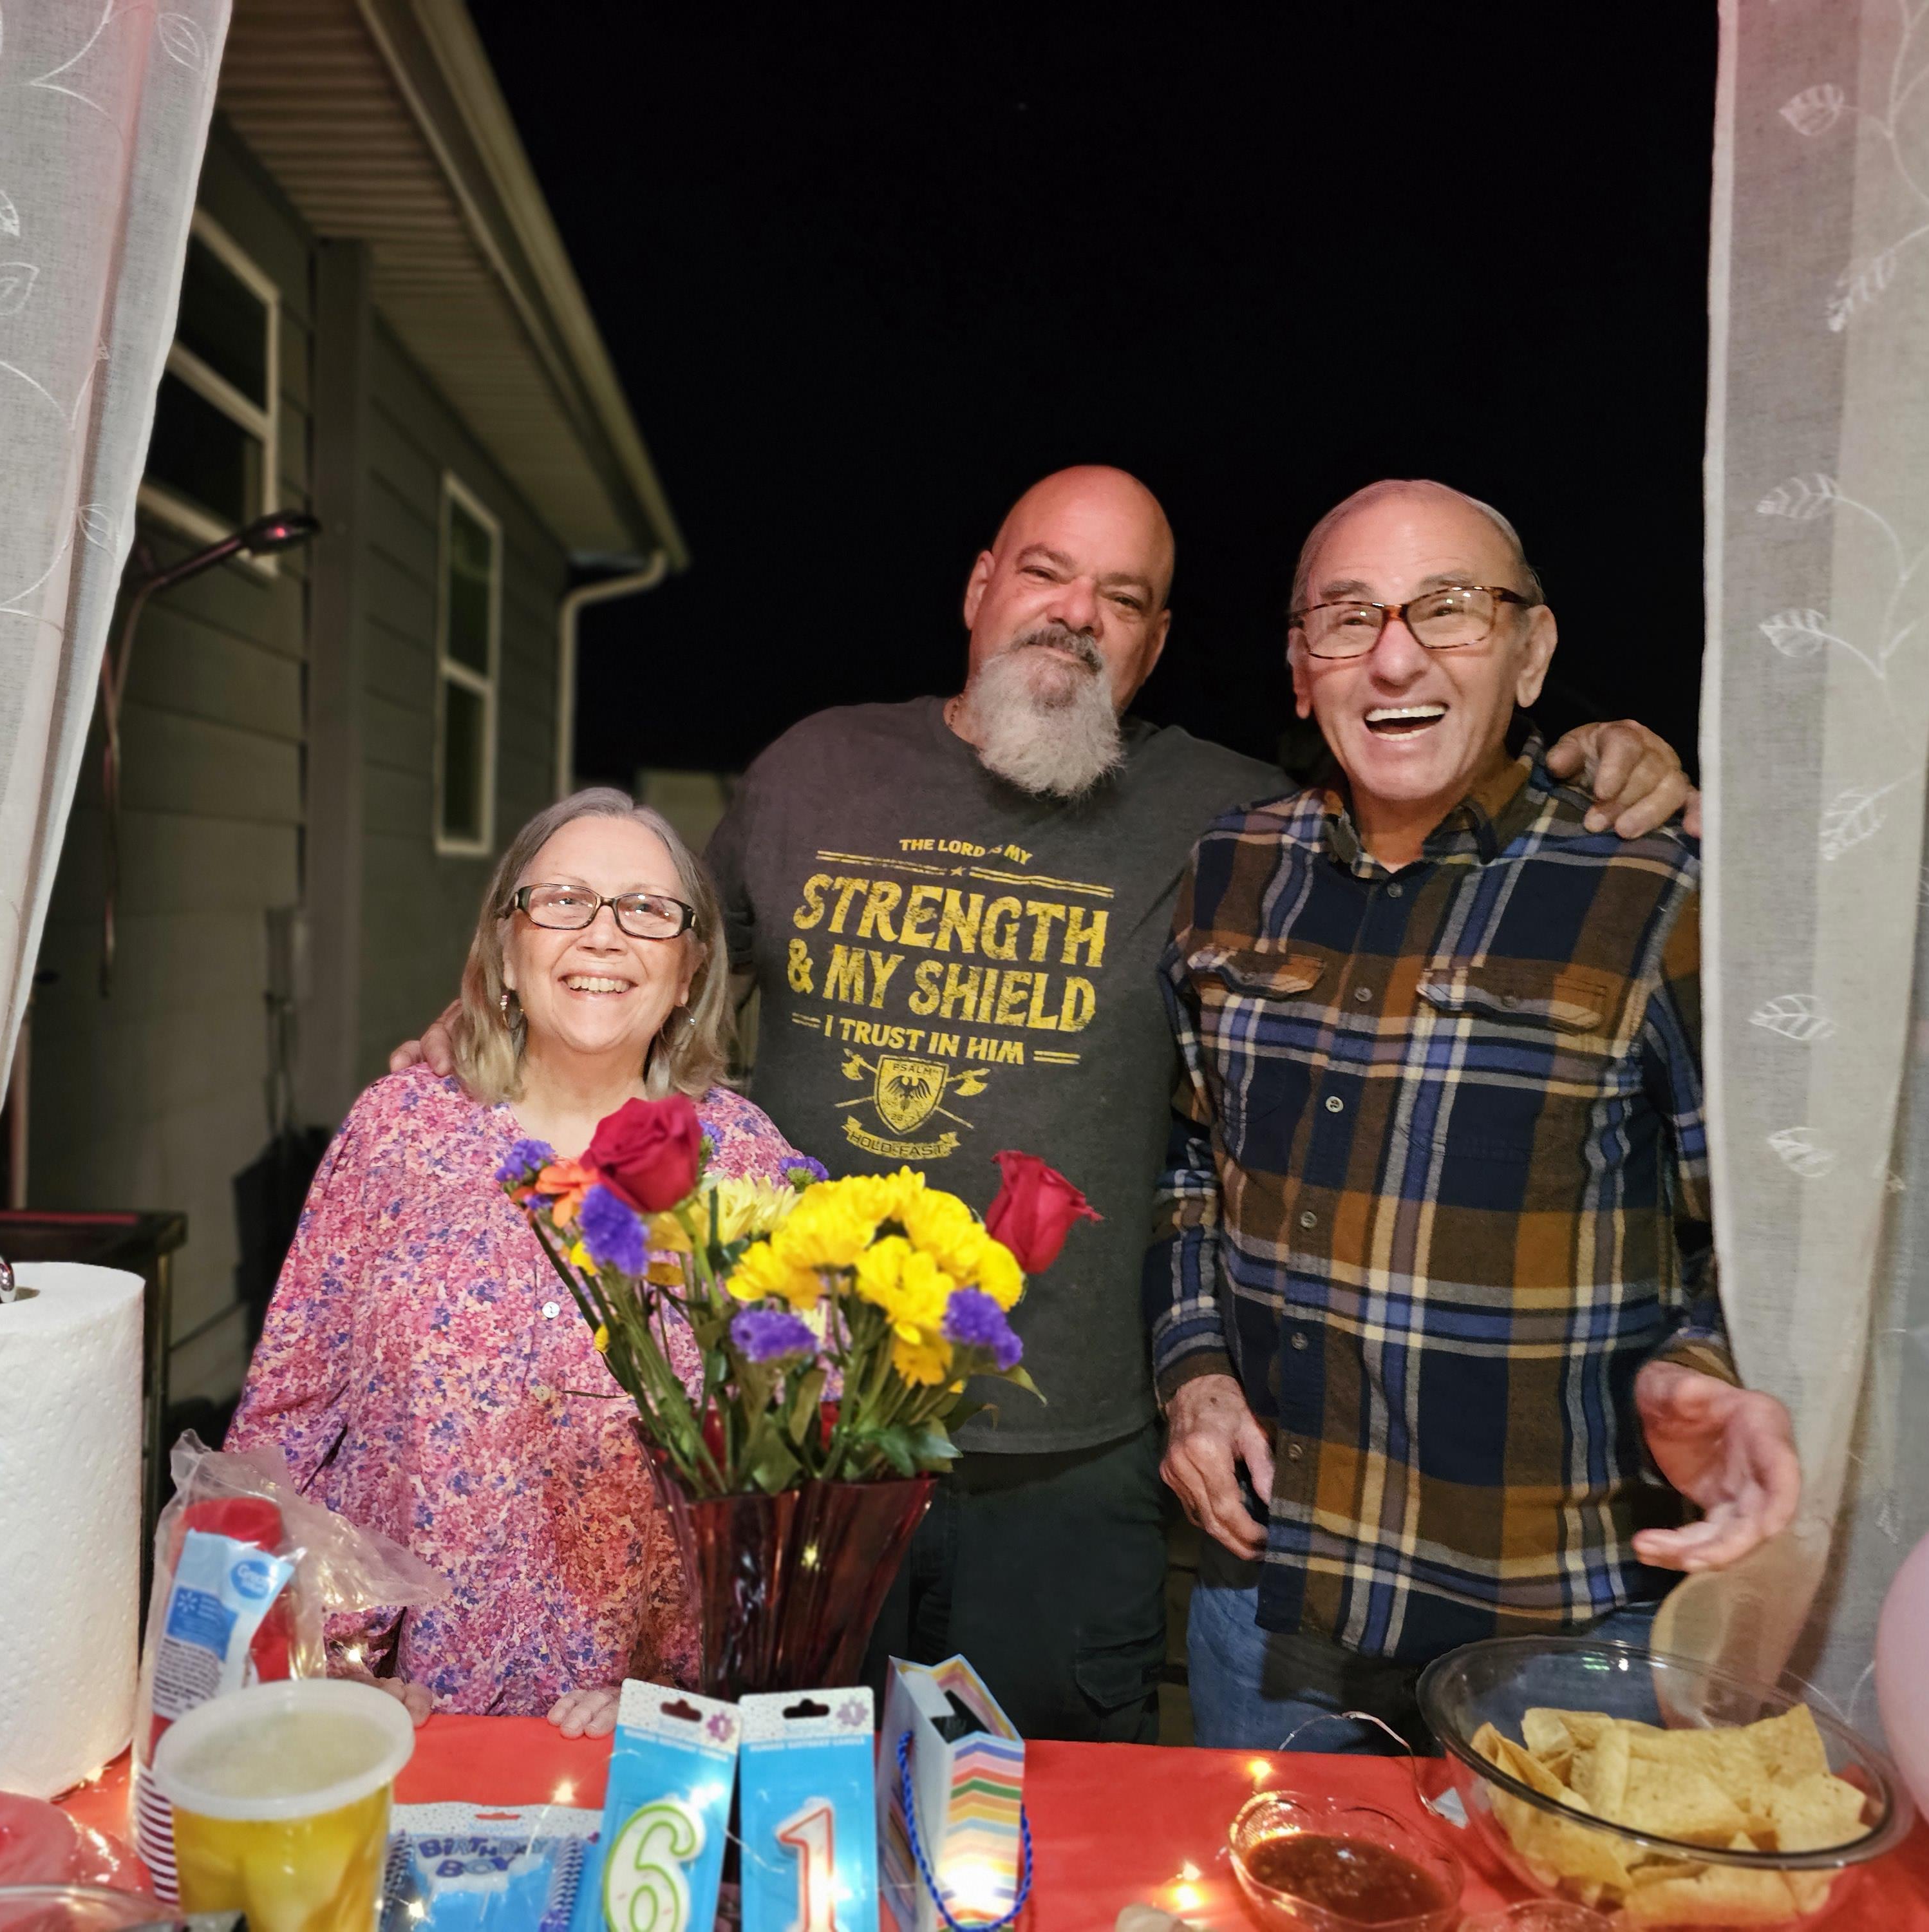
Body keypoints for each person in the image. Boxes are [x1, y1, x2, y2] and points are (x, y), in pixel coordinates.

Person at [396, 466, 1695, 1741]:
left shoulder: (1237, 820)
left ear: (1155, 642)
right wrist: (501, 1018)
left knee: (1054, 1826)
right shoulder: (814, 768)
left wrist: (1599, 764)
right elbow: (652, 980)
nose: (1076, 612)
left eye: (1121, 596)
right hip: (791, 1442)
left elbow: (1426, 833)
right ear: (978, 589)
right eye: (1043, 570)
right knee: (790, 1806)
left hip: (1071, 1464)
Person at [1148, 480, 1799, 1752]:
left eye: (1446, 610)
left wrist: (1706, 1368)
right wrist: (1196, 1371)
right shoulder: (1233, 870)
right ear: (1297, 670)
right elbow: (1187, 1160)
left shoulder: (1657, 890)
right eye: (1344, 618)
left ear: (1530, 651)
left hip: (1562, 1628)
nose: (1392, 655)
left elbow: (1772, 1221)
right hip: (1275, 1604)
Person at [229, 789, 801, 1737]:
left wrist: (689, 1696)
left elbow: (790, 1481)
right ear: (505, 946)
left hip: (639, 1732)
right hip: (396, 1714)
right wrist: (319, 1662)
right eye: (564, 900)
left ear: (693, 965)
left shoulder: (747, 1169)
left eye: (650, 910)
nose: (606, 936)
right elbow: (285, 1421)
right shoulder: (397, 1132)